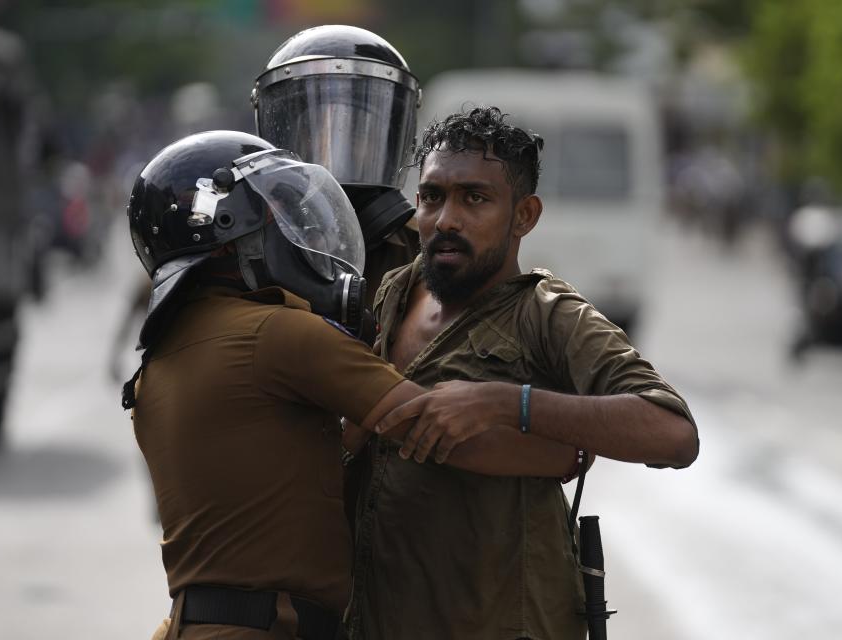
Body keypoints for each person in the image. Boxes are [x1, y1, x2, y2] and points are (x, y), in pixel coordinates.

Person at [124, 130, 576, 640]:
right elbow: (432, 427)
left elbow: (272, 478)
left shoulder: (158, 366)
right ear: (235, 234)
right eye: (276, 219)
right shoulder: (279, 334)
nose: (291, 233)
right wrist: (560, 451)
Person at [346, 107, 700, 640]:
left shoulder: (548, 313)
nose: (446, 220)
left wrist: (508, 404)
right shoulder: (392, 291)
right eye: (433, 196)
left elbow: (673, 434)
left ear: (524, 216)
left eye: (475, 199)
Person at [252, 24, 422, 309]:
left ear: (390, 141)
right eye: (313, 129)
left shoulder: (425, 250)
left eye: (355, 131)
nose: (334, 145)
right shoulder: (245, 240)